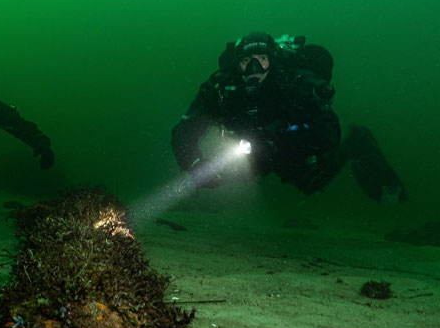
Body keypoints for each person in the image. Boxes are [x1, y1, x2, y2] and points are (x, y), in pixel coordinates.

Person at [170, 32, 406, 202]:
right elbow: (184, 130)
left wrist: (277, 141)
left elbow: (329, 131)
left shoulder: (294, 85)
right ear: (236, 66)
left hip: (286, 147)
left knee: (309, 183)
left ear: (273, 61)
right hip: (248, 150)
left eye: (262, 60)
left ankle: (358, 141)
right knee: (217, 176)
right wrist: (193, 163)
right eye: (245, 62)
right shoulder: (221, 89)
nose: (254, 70)